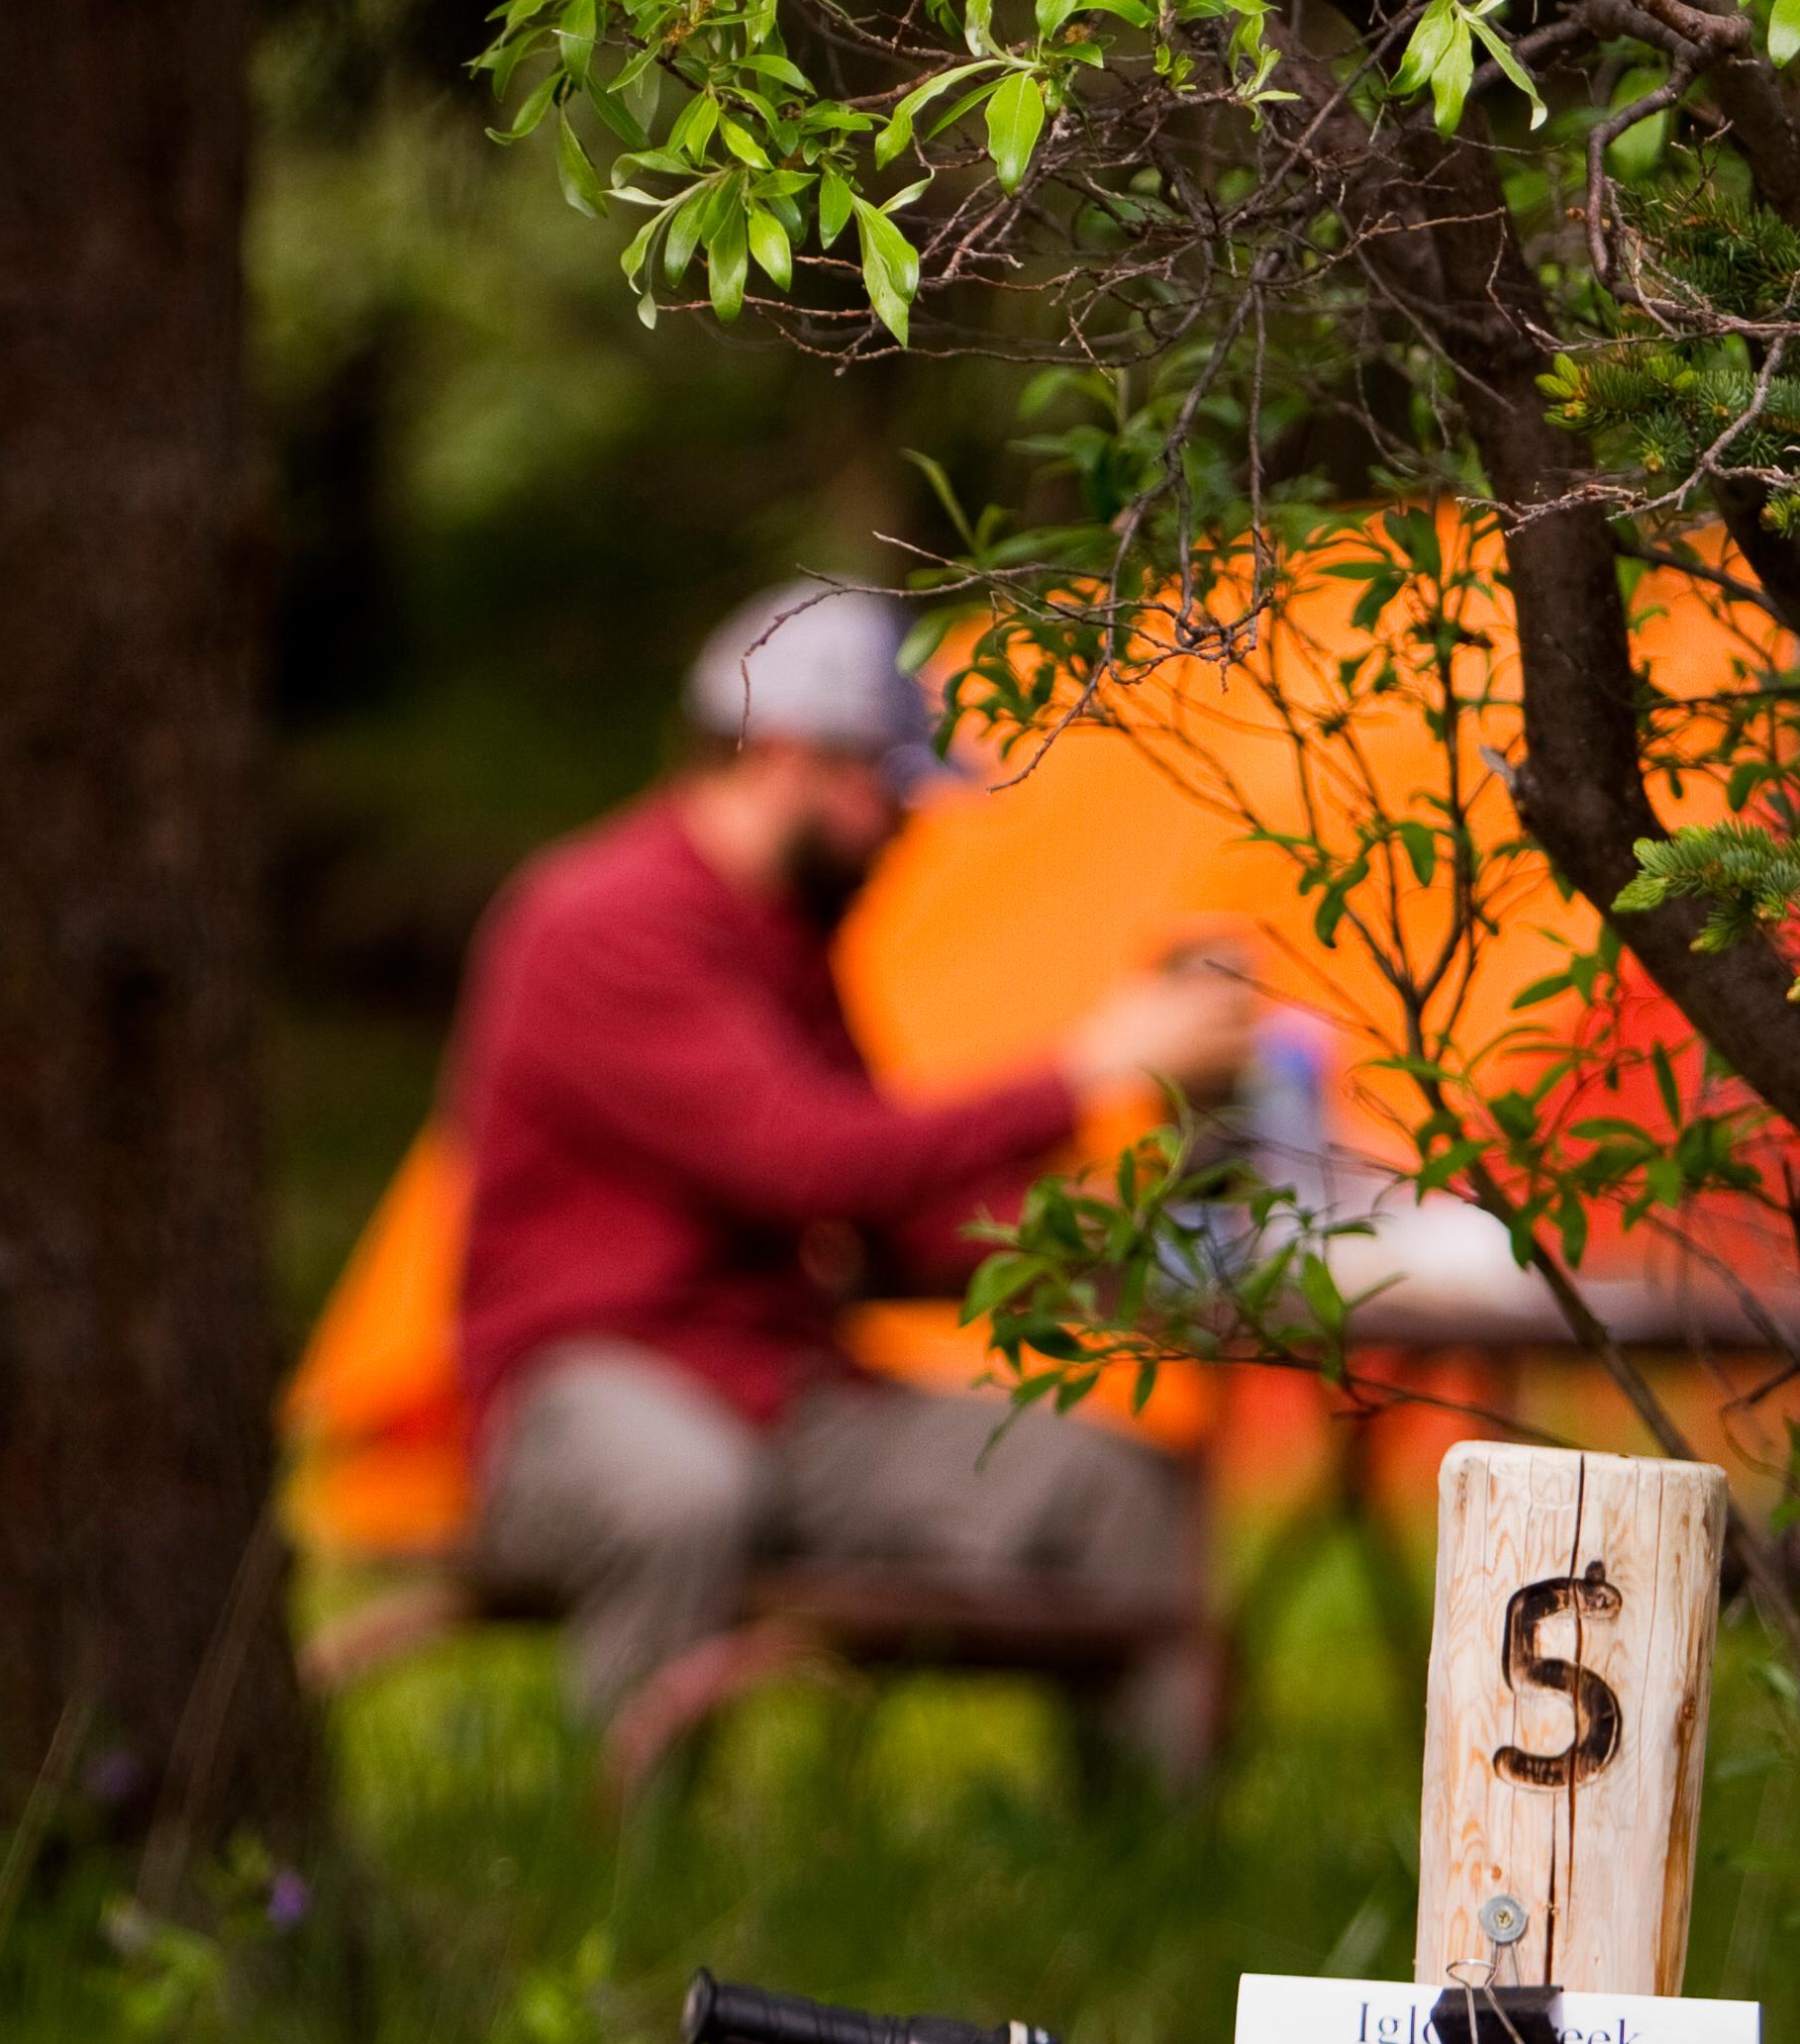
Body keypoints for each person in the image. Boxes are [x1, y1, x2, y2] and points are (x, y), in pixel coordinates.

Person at [445, 576, 1260, 1781]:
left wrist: (1116, 1253)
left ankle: (1169, 1876)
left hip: (782, 1393)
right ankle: (616, 1888)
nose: (904, 829)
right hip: (588, 1394)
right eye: (887, 788)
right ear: (781, 756)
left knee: (1107, 1487)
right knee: (685, 1494)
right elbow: (805, 1158)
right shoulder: (602, 924)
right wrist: (1089, 1071)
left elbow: (886, 1203)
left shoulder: (784, 935)